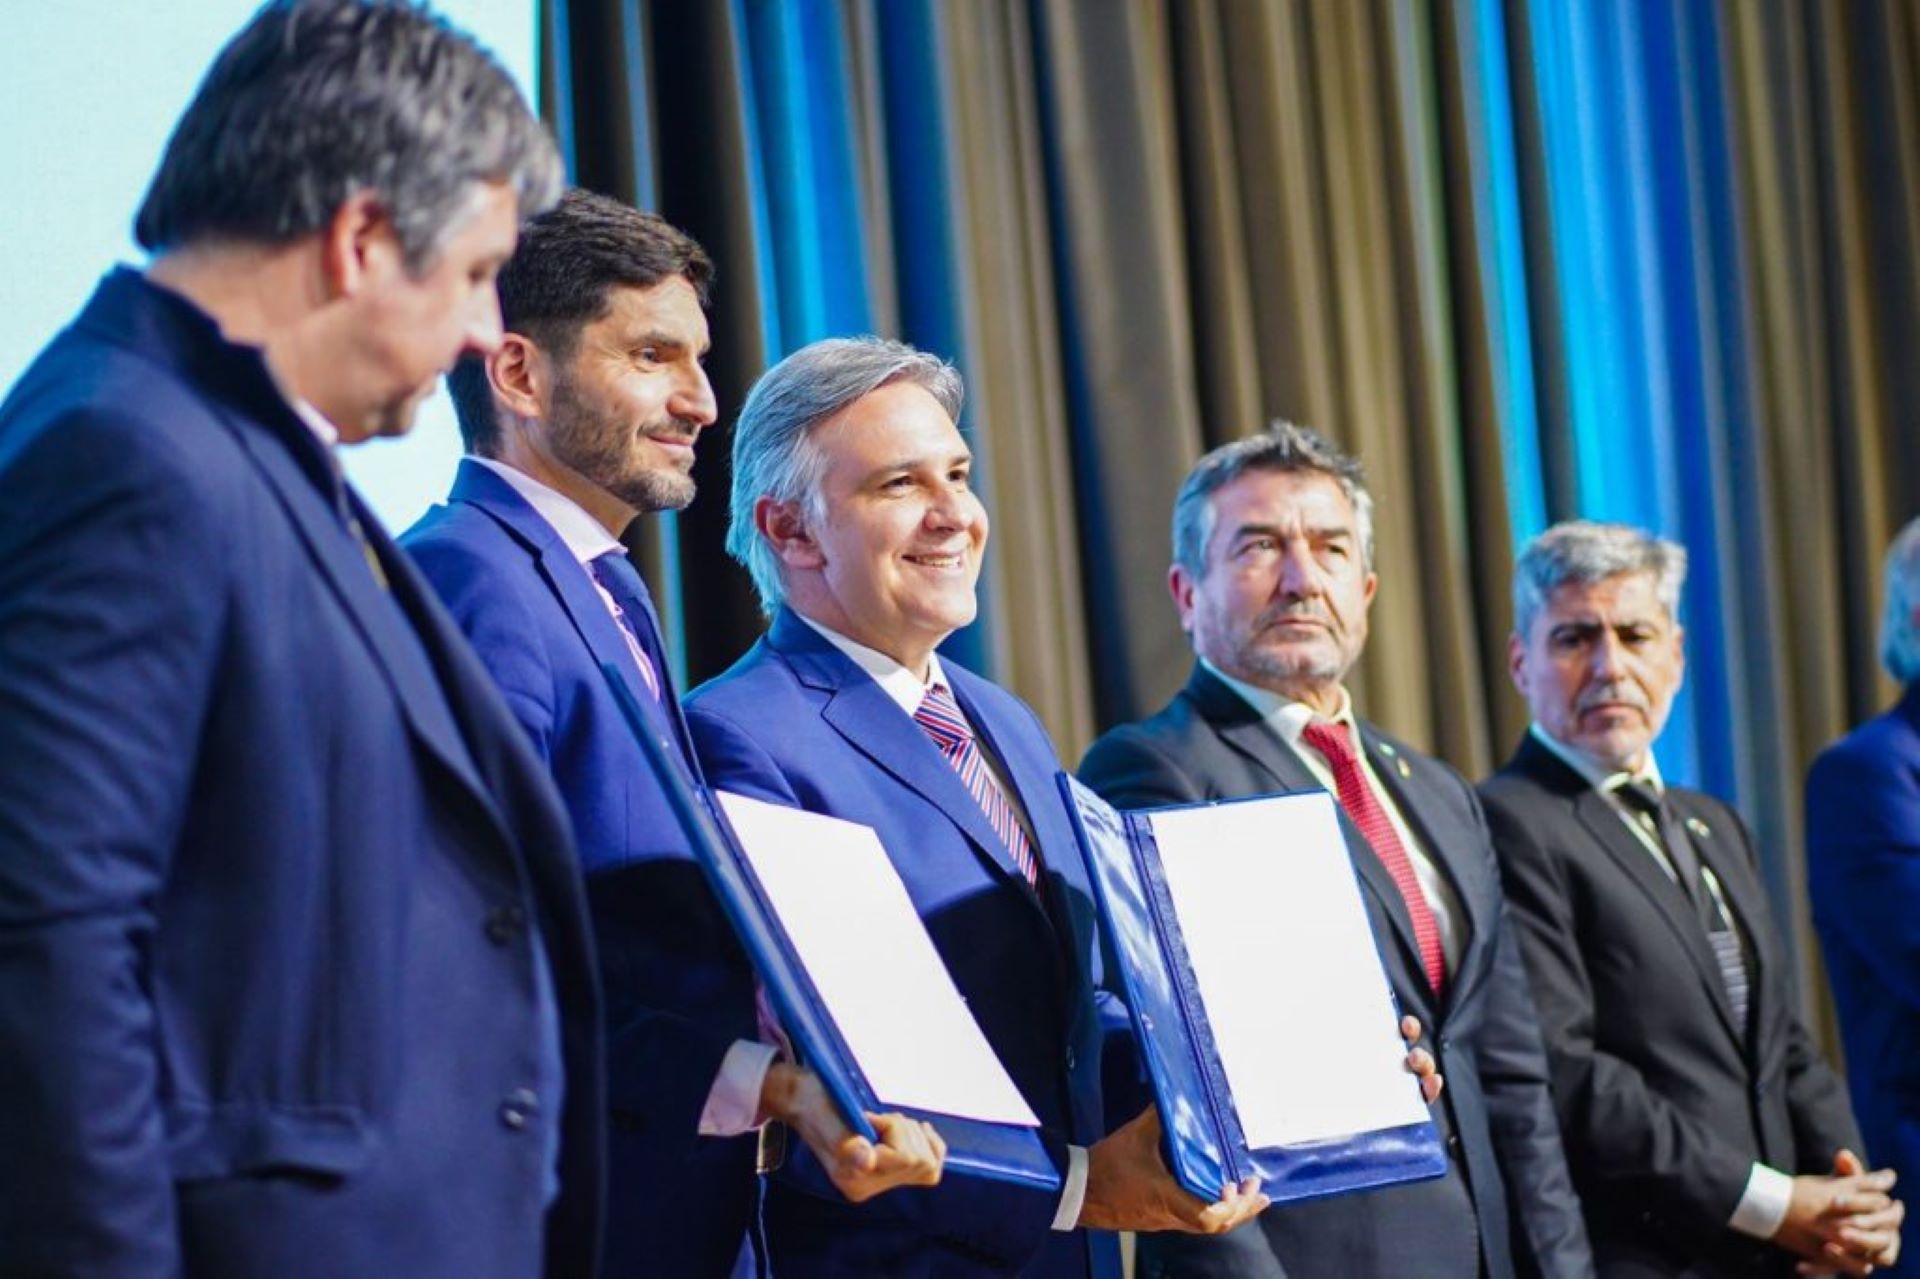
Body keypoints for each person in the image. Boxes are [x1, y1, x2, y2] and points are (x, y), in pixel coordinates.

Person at [0, 2, 608, 1276]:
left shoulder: (224, 448)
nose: (480, 333)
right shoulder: (125, 449)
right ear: (363, 237)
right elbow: (48, 938)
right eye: (477, 273)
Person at [402, 189, 945, 1276]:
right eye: (654, 356)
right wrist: (762, 1080)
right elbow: (482, 952)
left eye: (698, 360)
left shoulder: (607, 589)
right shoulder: (469, 577)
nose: (702, 400)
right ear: (517, 373)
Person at [684, 336, 1276, 1276]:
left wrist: (1254, 1084)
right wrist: (1076, 1188)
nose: (954, 513)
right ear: (791, 531)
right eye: (899, 485)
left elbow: (1073, 1000)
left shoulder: (1001, 716)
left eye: (957, 472)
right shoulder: (738, 736)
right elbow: (836, 1074)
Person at [1079, 424, 1592, 1279]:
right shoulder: (1155, 766)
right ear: (1185, 589)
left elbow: (1508, 1068)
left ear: (1367, 586)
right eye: (1258, 546)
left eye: (1329, 547)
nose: (1300, 578)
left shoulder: (1436, 789)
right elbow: (1171, 1073)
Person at [1483, 519, 1902, 1277]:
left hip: (1788, 1251)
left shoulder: (1713, 820)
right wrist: (1775, 1203)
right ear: (1521, 661)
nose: (1610, 667)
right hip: (1655, 1254)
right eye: (1575, 639)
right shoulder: (1507, 822)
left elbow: (1783, 1044)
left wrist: (1851, 1198)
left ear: (1675, 653)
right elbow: (1570, 1071)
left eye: (1635, 635)